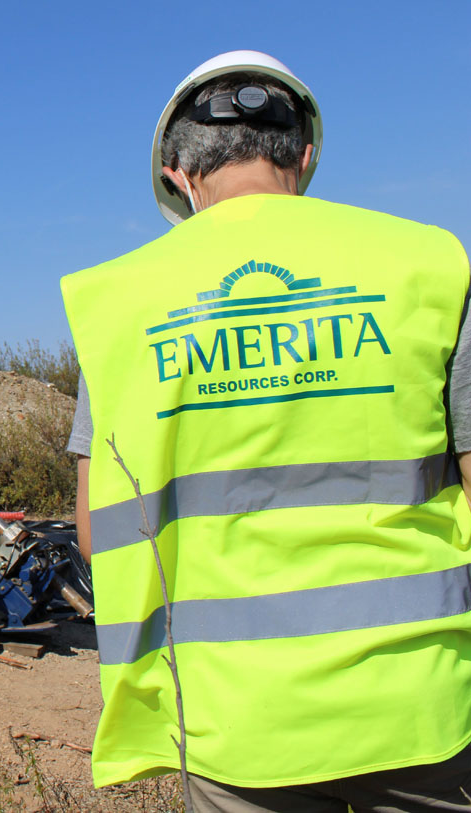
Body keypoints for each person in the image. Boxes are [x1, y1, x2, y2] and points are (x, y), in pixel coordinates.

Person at [61, 50, 471, 810]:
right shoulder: (428, 264)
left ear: (179, 172)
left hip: (235, 722)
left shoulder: (117, 307)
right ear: (305, 155)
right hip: (424, 703)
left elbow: (93, 531)